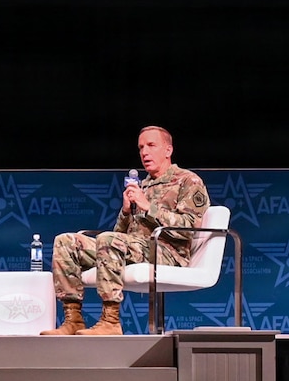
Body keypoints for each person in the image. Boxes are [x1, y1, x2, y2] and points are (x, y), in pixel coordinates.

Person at [40, 126, 209, 335]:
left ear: (168, 150)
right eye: (141, 147)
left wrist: (149, 207)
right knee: (66, 242)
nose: (144, 152)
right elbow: (119, 233)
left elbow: (190, 229)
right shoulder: (143, 185)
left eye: (151, 145)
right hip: (133, 248)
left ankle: (110, 321)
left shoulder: (188, 181)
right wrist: (127, 211)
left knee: (110, 241)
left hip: (166, 252)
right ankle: (73, 318)